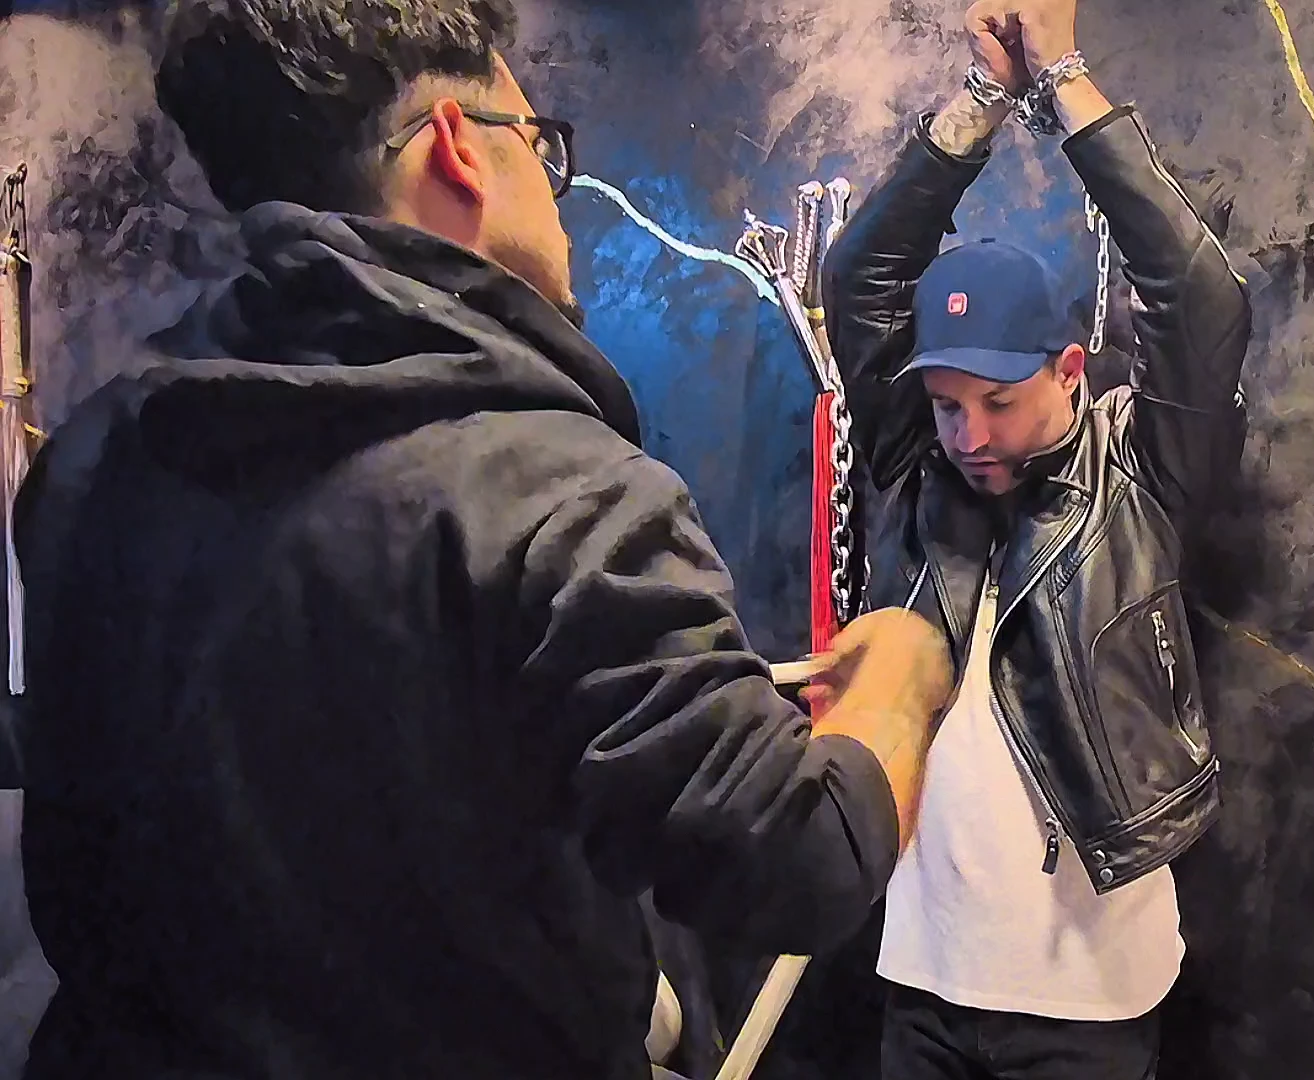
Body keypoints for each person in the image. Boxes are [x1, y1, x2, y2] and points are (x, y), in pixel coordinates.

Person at [14, 2, 955, 1078]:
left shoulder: (93, 460)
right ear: (461, 149)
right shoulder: (556, 492)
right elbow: (801, 857)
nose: (558, 200)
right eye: (540, 146)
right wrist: (901, 679)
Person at [811, 0, 1253, 1075]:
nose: (970, 436)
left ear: (1068, 369)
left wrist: (1060, 82)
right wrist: (982, 100)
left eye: (999, 401)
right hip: (922, 980)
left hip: (1087, 1001)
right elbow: (859, 279)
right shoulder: (918, 463)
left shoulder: (1140, 470)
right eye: (948, 405)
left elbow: (1199, 299)